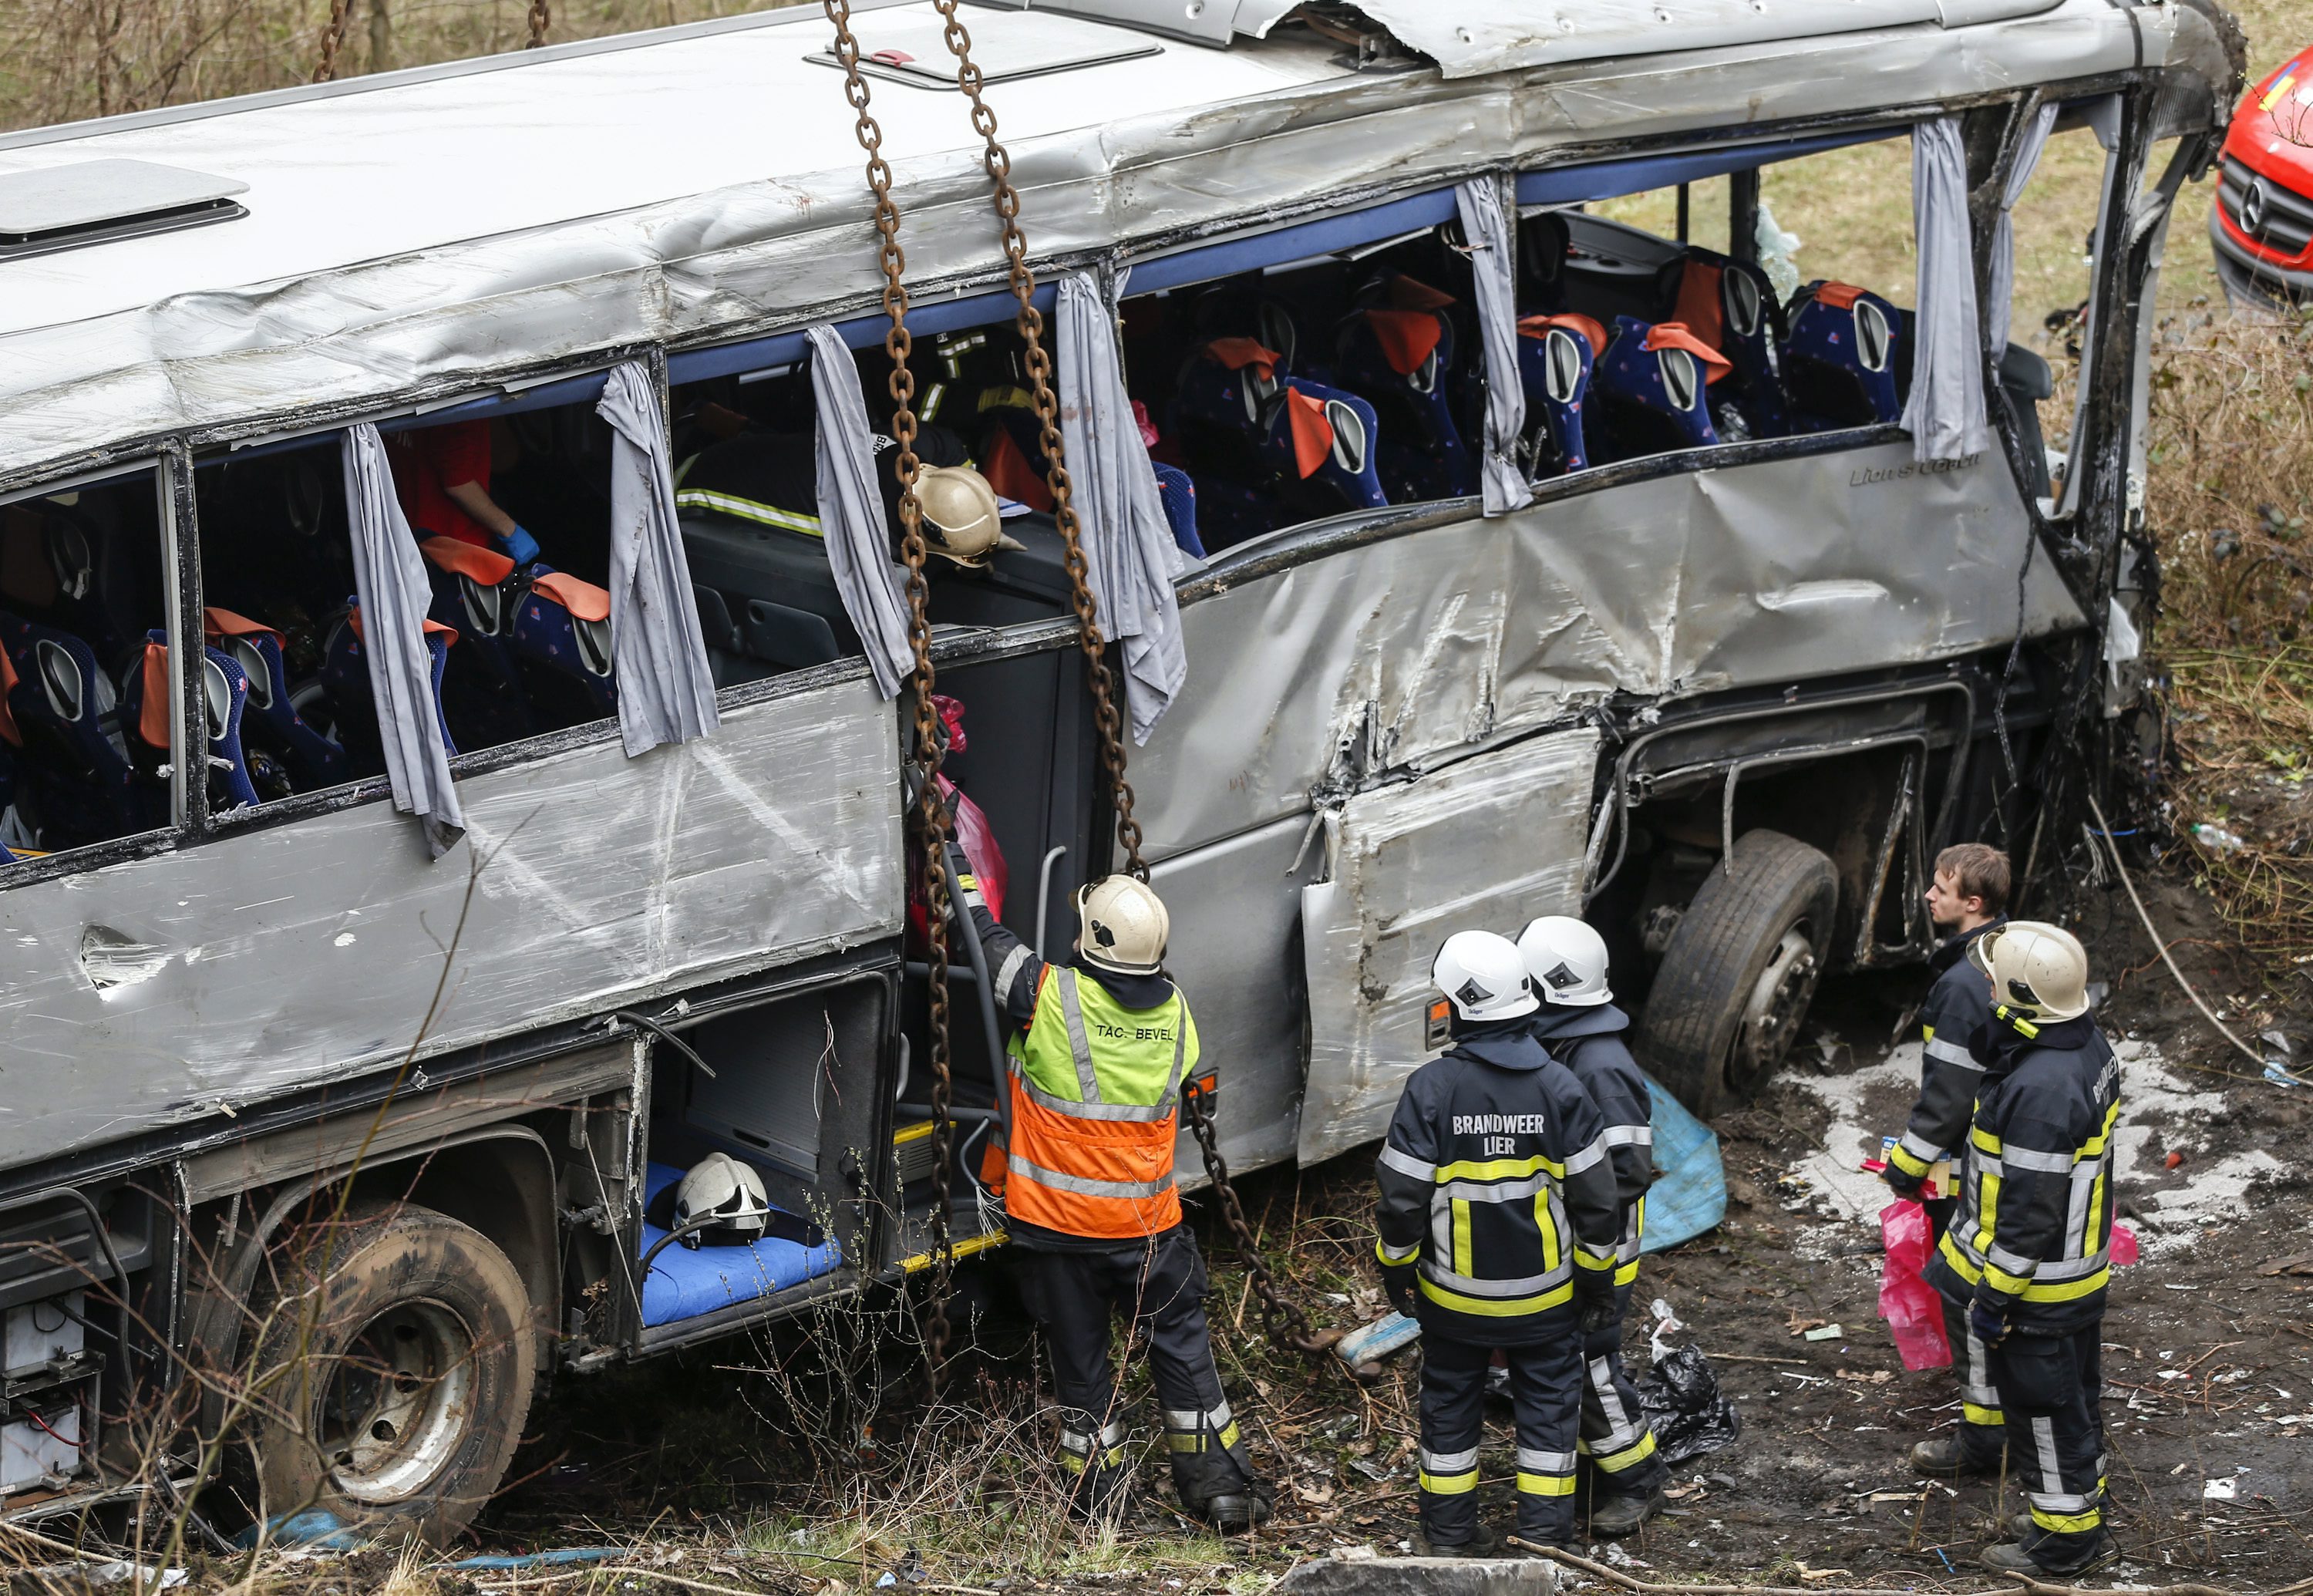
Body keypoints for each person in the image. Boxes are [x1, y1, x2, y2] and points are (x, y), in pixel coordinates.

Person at [955, 869, 1271, 1532]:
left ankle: (1101, 1502)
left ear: (1090, 940)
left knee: (1083, 1373)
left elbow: (983, 937)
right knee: (1184, 1356)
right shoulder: (1178, 1015)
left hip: (1059, 1234)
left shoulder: (1047, 997)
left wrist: (953, 856)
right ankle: (1223, 1490)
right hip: (1149, 1231)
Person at [1373, 931, 1622, 1556]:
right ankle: (1544, 1544)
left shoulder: (1430, 1091)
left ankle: (1450, 1539)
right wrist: (1596, 1278)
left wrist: (1396, 1270)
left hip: (1455, 1306)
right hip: (1546, 1305)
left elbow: (1402, 1202)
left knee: (1450, 1413)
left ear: (1459, 1010)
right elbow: (1598, 1202)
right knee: (1548, 1417)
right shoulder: (1562, 1089)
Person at [1918, 921, 2120, 1577]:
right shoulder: (2085, 1047)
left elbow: (2030, 1217)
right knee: (2075, 1398)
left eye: (1998, 983)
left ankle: (2063, 1543)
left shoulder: (2040, 1092)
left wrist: (1994, 1297)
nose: (1988, 991)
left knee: (2042, 1411)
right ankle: (2074, 1508)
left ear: (2024, 997)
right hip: (2076, 1276)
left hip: (2037, 1289)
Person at [1515, 915, 1667, 1537]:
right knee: (1567, 1358)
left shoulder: (1599, 1064)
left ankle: (1637, 1481)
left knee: (1588, 1361)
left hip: (1599, 1245)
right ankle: (1597, 1474)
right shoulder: (1569, 1048)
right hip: (1575, 1237)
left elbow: (1626, 1170)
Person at [1885, 841, 2010, 1476]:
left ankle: (1986, 1442)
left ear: (1974, 903)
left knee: (1968, 1294)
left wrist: (1908, 1165)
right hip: (2008, 1161)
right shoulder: (2012, 958)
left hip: (1977, 1166)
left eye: (1943, 887)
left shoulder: (1963, 984)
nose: (1930, 896)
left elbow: (1949, 1094)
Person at [383, 420, 541, 564]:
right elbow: (458, 484)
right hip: (459, 549)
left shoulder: (404, 406)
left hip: (411, 537)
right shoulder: (461, 417)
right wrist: (510, 530)